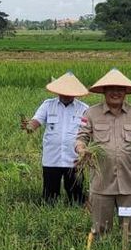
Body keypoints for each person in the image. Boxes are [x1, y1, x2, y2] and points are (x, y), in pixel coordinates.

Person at [75, 68, 131, 241]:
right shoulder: (91, 113)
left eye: (120, 89)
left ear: (126, 92)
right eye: (111, 89)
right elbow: (81, 138)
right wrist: (82, 150)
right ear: (104, 91)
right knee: (100, 229)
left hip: (129, 183)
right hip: (101, 183)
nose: (116, 93)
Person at [23, 72, 90, 204]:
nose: (65, 94)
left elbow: (88, 132)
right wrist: (29, 126)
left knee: (76, 197)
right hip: (51, 158)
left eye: (69, 91)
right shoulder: (48, 105)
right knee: (49, 197)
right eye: (62, 91)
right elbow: (36, 122)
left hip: (74, 159)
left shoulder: (84, 109)